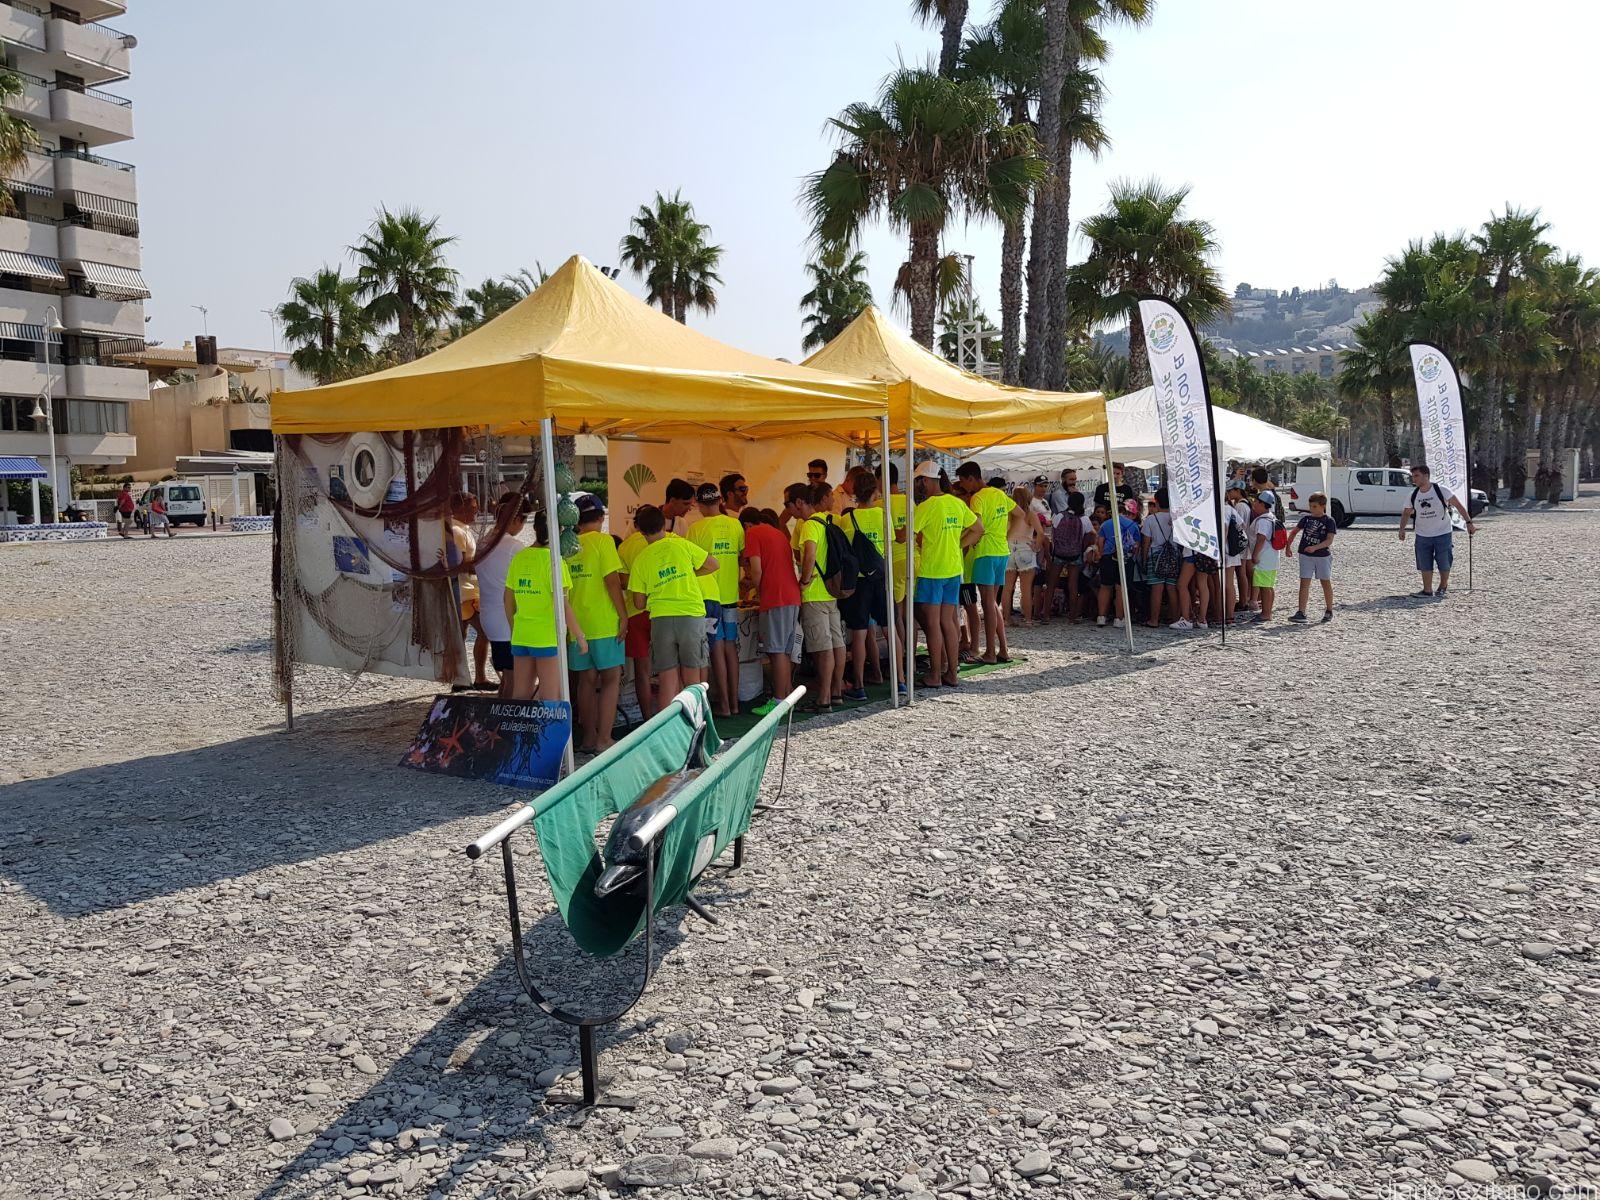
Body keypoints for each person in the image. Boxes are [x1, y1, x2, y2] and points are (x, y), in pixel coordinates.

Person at [627, 504, 718, 701]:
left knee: (667, 681)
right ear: (664, 525)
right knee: (692, 680)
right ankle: (695, 719)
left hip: (661, 619)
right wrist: (690, 573)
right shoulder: (681, 544)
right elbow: (713, 564)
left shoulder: (640, 560)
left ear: (640, 531)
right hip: (691, 615)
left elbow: (639, 603)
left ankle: (669, 722)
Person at [565, 497, 628, 751]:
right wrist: (624, 616)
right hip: (603, 622)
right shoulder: (603, 541)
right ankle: (604, 738)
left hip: (576, 625)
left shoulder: (567, 545)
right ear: (602, 517)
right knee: (611, 679)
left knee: (586, 681)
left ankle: (589, 738)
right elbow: (612, 582)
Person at [912, 461, 981, 688]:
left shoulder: (926, 506)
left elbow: (905, 535)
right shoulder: (956, 503)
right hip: (953, 570)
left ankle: (935, 674)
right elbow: (979, 529)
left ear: (925, 480)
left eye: (918, 481)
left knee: (933, 624)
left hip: (932, 571)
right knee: (948, 623)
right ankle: (951, 673)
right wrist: (959, 544)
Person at [505, 511, 586, 702]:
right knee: (551, 698)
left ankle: (520, 724)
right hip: (546, 637)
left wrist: (514, 628)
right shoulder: (555, 562)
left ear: (534, 528)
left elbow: (507, 599)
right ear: (560, 530)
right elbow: (563, 604)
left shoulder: (519, 557)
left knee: (520, 696)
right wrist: (579, 636)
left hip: (522, 635)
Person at [785, 482, 846, 710]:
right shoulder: (827, 519)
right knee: (837, 643)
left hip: (815, 594)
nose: (787, 509)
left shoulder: (809, 524)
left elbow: (809, 555)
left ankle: (823, 698)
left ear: (800, 502)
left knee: (822, 648)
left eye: (788, 504)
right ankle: (836, 692)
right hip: (830, 592)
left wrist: (804, 581)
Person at [687, 482, 745, 718]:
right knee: (731, 648)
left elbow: (693, 563)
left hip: (709, 596)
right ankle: (735, 703)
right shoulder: (735, 524)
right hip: (731, 595)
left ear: (700, 504)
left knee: (716, 650)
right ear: (720, 500)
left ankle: (724, 705)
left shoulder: (695, 529)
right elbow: (741, 556)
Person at [835, 471, 891, 699]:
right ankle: (900, 680)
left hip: (859, 581)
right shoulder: (884, 515)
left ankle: (858, 686)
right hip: (881, 577)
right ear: (875, 491)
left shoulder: (846, 519)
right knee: (889, 628)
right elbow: (892, 541)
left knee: (859, 634)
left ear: (855, 493)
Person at [740, 507, 801, 712]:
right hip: (791, 596)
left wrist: (759, 591)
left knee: (776, 652)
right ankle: (786, 696)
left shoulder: (753, 533)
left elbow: (756, 570)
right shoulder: (778, 533)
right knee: (783, 651)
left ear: (747, 525)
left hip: (776, 597)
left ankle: (778, 701)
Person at [955, 461, 1016, 664]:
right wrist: (1006, 537)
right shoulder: (999, 493)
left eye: (963, 482)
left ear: (971, 478)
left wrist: (958, 543)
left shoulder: (978, 498)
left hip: (985, 552)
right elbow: (1021, 515)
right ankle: (1002, 650)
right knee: (992, 603)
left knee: (987, 604)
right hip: (1001, 551)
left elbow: (978, 528)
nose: (963, 487)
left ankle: (990, 652)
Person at [474, 494, 530, 698]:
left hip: (490, 616)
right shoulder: (514, 547)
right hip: (507, 620)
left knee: (507, 677)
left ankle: (500, 714)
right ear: (517, 519)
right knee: (515, 679)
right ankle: (508, 717)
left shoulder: (483, 542)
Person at [1397, 462, 1475, 597]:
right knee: (1424, 562)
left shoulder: (1441, 490)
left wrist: (1469, 522)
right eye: (1413, 476)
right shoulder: (1413, 494)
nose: (1413, 479)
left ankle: (1443, 586)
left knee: (1444, 561)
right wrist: (1401, 529)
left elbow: (1458, 505)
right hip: (1422, 534)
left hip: (1442, 532)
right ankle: (1427, 590)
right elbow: (1406, 512)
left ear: (1426, 476)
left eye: (1416, 476)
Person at [449, 492, 492, 688]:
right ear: (460, 508)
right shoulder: (457, 531)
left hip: (467, 590)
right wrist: (483, 565)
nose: (477, 512)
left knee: (461, 635)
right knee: (484, 632)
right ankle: (478, 678)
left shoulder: (461, 529)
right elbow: (460, 565)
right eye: (473, 509)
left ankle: (461, 679)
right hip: (464, 592)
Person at [1286, 491, 1336, 624]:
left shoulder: (1329, 521)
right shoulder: (1306, 519)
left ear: (1323, 506)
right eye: (1310, 506)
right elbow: (1294, 532)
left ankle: (1329, 610)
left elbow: (1329, 540)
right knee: (1304, 583)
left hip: (1322, 556)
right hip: (1305, 555)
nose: (1311, 509)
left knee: (1325, 582)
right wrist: (1288, 546)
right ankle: (1301, 612)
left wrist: (1315, 547)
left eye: (1315, 506)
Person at [1004, 485, 1045, 628]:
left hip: (1009, 548)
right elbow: (1040, 532)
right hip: (1025, 549)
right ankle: (1028, 620)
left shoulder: (1009, 513)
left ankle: (1007, 619)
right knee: (1026, 589)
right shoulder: (1030, 514)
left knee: (1007, 588)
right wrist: (1037, 547)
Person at [1094, 498, 1139, 628]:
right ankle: (1119, 618)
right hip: (1125, 557)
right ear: (1125, 512)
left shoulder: (1106, 524)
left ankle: (1101, 617)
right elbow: (1136, 545)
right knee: (1121, 588)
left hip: (1108, 556)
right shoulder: (1132, 525)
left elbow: (1100, 542)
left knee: (1105, 586)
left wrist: (1101, 554)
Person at [1142, 488, 1180, 629]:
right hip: (1173, 555)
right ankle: (1175, 618)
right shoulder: (1175, 518)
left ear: (1157, 502)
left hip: (1155, 556)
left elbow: (1146, 542)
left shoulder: (1151, 519)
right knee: (1171, 588)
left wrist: (1144, 559)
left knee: (1157, 589)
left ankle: (1154, 620)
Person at [1249, 491, 1281, 623]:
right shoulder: (1271, 517)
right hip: (1272, 556)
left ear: (1262, 504)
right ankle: (1268, 611)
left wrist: (1255, 555)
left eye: (1256, 502)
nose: (1254, 504)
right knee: (1269, 586)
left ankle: (1266, 613)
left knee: (1264, 586)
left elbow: (1261, 538)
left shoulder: (1262, 521)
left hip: (1264, 557)